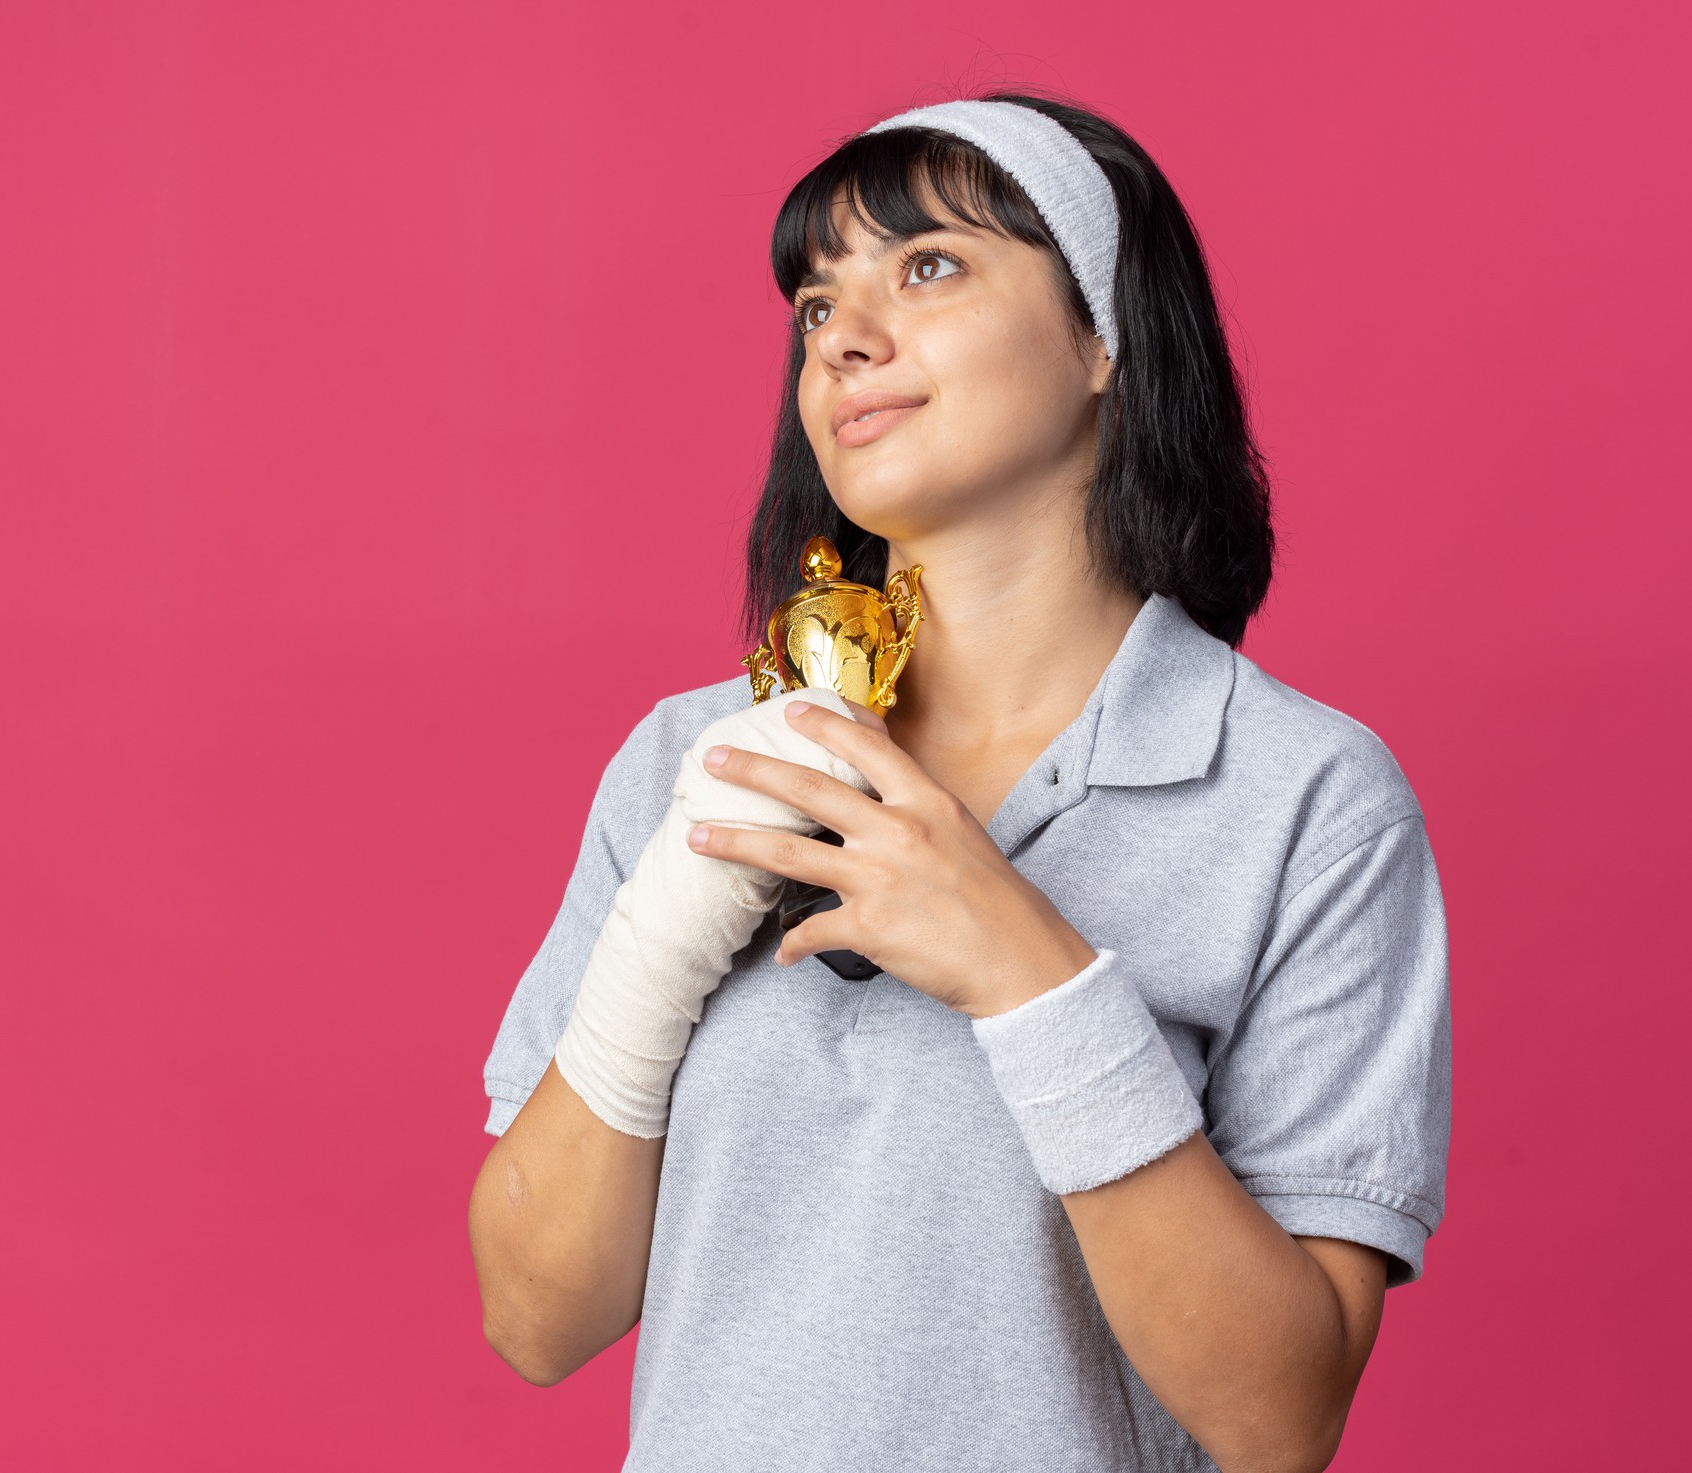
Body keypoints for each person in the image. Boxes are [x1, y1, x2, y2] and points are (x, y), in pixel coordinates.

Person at [469, 91, 1451, 1473]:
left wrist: (1024, 966)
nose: (845, 337)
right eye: (817, 304)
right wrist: (662, 944)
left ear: (1106, 337)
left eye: (929, 266)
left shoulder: (1305, 802)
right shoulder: (700, 765)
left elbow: (1279, 1416)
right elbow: (535, 1314)